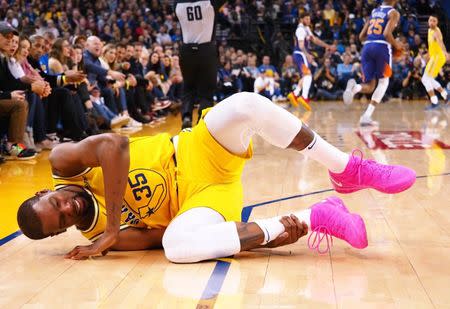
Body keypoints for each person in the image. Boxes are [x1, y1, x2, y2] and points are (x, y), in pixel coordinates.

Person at [17, 92, 416, 262]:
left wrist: (112, 228)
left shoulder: (64, 164)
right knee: (176, 248)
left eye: (57, 203)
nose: (68, 207)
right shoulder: (97, 236)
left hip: (193, 150)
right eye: (64, 220)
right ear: (62, 233)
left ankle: (346, 169)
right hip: (203, 199)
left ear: (45, 191)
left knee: (245, 105)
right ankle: (316, 217)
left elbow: (114, 146)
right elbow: (158, 238)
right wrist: (256, 239)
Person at [343, 0, 403, 126]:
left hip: (367, 47)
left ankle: (354, 88)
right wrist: (397, 45)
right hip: (381, 47)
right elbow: (387, 34)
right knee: (383, 82)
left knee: (370, 86)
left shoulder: (374, 11)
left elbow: (361, 36)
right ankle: (366, 116)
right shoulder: (393, 12)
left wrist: (372, 42)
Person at [175, 0, 225, 129]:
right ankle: (202, 121)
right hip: (206, 50)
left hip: (186, 50)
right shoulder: (210, 3)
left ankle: (186, 117)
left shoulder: (177, 4)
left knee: (188, 87)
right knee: (207, 91)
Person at [287, 12, 334, 111]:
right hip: (300, 54)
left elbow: (315, 40)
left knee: (305, 76)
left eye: (309, 19)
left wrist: (327, 46)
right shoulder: (300, 30)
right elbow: (301, 45)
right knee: (308, 75)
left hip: (302, 54)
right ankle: (304, 97)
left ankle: (294, 94)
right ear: (301, 19)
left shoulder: (306, 28)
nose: (309, 21)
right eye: (306, 19)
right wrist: (308, 55)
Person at [421, 15, 449, 110]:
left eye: (434, 21)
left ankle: (435, 102)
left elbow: (440, 43)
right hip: (434, 57)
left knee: (425, 79)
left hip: (438, 57)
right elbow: (432, 46)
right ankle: (445, 95)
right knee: (428, 79)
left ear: (437, 23)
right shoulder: (429, 31)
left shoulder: (436, 31)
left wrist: (445, 52)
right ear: (428, 22)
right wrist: (428, 56)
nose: (432, 22)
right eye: (430, 20)